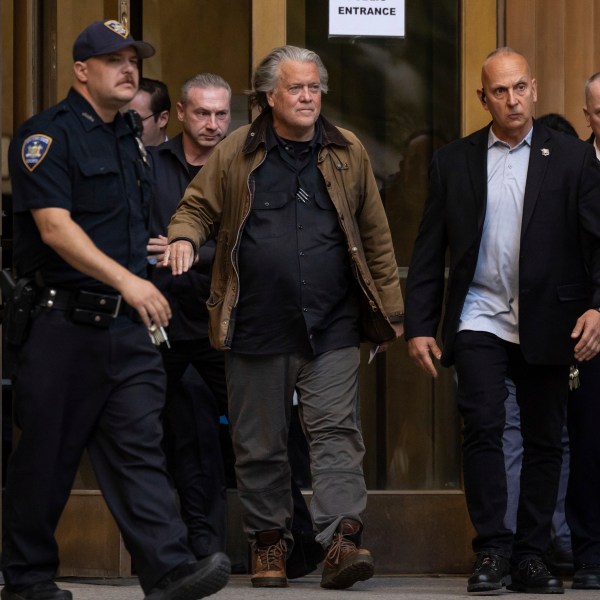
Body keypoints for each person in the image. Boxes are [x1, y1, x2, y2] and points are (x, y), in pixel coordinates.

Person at [1, 20, 230, 600]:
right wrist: (131, 282)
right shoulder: (45, 137)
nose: (128, 69)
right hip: (63, 326)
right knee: (46, 460)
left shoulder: (129, 135)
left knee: (138, 450)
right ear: (82, 71)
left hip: (128, 331)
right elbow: (55, 229)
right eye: (113, 60)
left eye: (133, 59)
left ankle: (168, 569)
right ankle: (26, 578)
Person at [163, 45, 404, 590]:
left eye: (314, 87)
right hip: (254, 323)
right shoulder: (235, 151)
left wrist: (388, 310)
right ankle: (269, 545)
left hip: (332, 325)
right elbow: (196, 207)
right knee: (260, 442)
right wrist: (182, 238)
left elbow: (376, 233)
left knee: (337, 433)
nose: (307, 97)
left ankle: (341, 542)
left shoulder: (347, 152)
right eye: (296, 88)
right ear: (269, 96)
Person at [404, 47, 600, 594]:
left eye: (519, 88)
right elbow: (428, 250)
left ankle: (533, 556)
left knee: (543, 438)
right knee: (485, 427)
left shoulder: (570, 158)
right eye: (499, 90)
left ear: (533, 89)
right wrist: (420, 323)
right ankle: (492, 549)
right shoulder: (454, 161)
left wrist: (598, 308)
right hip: (479, 316)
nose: (511, 99)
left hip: (550, 319)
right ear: (482, 97)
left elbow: (597, 242)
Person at [147, 72, 324, 577]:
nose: (212, 123)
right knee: (158, 440)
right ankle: (190, 553)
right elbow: (142, 238)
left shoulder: (251, 162)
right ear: (180, 113)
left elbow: (253, 247)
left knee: (260, 438)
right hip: (160, 323)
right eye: (202, 113)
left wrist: (194, 252)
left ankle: (300, 544)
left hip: (226, 325)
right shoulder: (151, 165)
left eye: (222, 114)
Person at [562, 72, 600, 590]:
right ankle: (591, 553)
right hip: (585, 326)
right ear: (589, 115)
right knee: (589, 441)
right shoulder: (570, 168)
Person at [129, 76, 171, 146]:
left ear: (163, 119)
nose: (129, 126)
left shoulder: (179, 156)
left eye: (138, 119)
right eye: (126, 118)